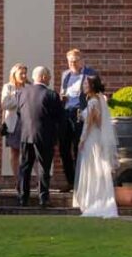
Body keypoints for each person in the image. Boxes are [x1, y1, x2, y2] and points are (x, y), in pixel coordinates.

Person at [14, 65, 62, 207]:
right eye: (49, 75)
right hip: (44, 136)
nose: (50, 78)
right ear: (43, 77)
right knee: (43, 167)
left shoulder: (21, 93)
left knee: (25, 167)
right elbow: (59, 117)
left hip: (25, 134)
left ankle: (23, 197)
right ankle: (43, 198)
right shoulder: (51, 95)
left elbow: (19, 113)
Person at [73, 77, 119, 218]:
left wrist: (82, 139)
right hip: (97, 137)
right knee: (98, 167)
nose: (84, 86)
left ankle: (93, 201)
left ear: (92, 86)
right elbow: (99, 121)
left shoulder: (93, 101)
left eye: (86, 84)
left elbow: (90, 123)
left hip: (91, 140)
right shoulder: (98, 100)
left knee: (92, 168)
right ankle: (99, 199)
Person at [59, 48, 98, 190]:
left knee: (79, 147)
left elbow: (97, 94)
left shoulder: (90, 74)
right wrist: (61, 97)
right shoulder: (65, 75)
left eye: (75, 61)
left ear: (82, 60)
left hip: (81, 114)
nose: (72, 64)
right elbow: (62, 92)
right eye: (70, 62)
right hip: (66, 113)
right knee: (64, 148)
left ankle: (79, 182)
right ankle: (70, 181)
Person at [0, 63, 26, 181]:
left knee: (27, 152)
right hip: (13, 122)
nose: (24, 76)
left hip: (27, 122)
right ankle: (17, 179)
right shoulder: (8, 87)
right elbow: (4, 104)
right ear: (14, 74)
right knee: (15, 151)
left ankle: (26, 178)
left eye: (25, 73)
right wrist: (17, 98)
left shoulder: (28, 87)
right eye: (21, 73)